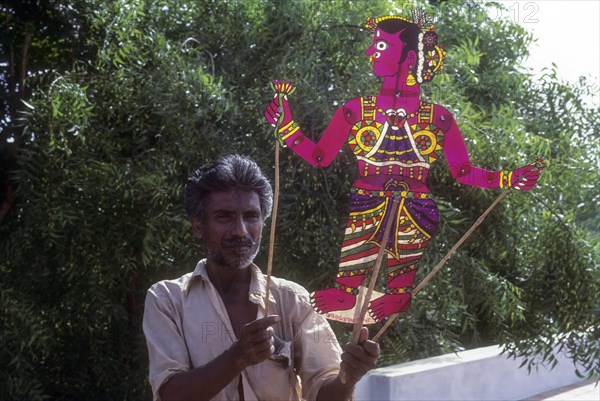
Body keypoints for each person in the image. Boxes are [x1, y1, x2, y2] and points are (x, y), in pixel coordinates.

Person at [264, 12, 544, 323]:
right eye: (374, 46)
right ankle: (347, 288)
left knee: (408, 240)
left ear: (409, 58)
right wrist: (287, 128)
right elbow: (320, 156)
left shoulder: (438, 117)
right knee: (361, 235)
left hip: (415, 206)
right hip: (367, 200)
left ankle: (398, 294)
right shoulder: (356, 109)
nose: (371, 53)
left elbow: (462, 172)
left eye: (381, 47)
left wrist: (509, 178)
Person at [143, 154, 380, 401]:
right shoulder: (167, 300)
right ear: (198, 226)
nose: (240, 231)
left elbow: (323, 390)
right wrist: (238, 357)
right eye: (224, 217)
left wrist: (347, 378)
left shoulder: (292, 299)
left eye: (251, 216)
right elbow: (170, 393)